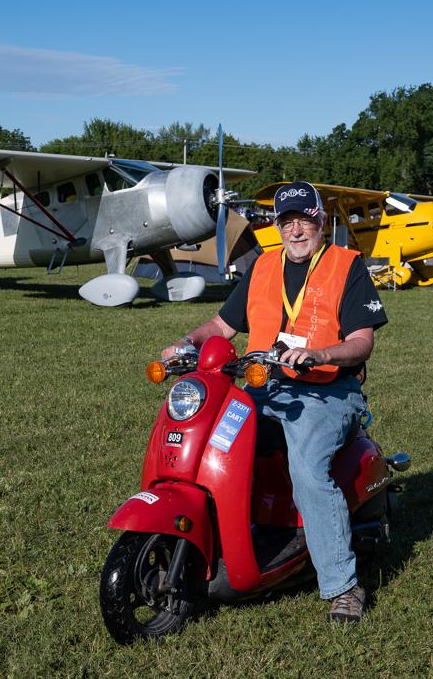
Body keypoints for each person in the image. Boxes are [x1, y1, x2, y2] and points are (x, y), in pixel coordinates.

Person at [160, 182, 388, 623]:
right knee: (211, 441)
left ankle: (344, 586)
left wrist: (319, 354)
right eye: (287, 221)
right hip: (265, 388)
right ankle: (226, 539)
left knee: (305, 466)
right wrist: (186, 342)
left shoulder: (347, 266)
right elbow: (222, 326)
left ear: (321, 221)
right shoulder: (263, 267)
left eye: (304, 218)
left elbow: (361, 343)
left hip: (326, 391)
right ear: (278, 225)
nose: (296, 229)